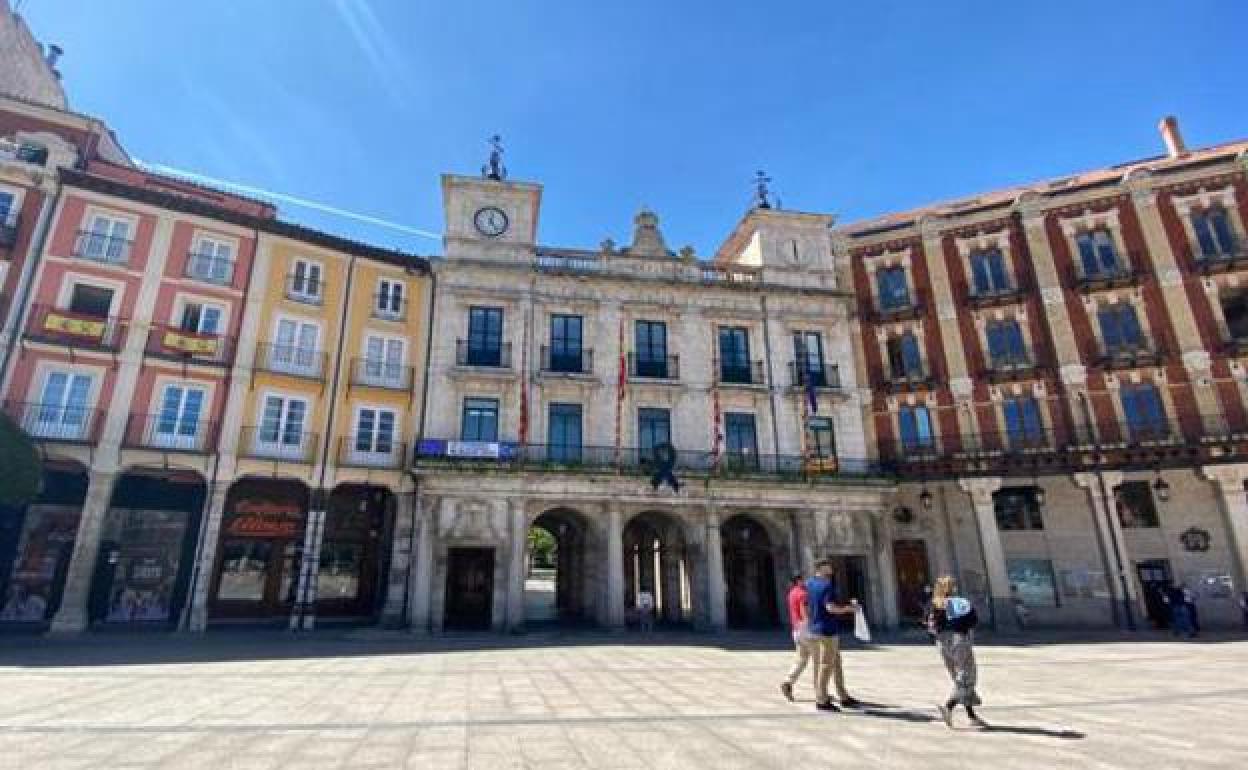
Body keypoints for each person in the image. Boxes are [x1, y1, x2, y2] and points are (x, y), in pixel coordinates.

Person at [927, 575, 985, 729]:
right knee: (966, 675)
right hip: (958, 639)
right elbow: (973, 620)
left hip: (941, 642)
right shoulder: (959, 602)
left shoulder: (935, 603)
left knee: (958, 678)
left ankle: (971, 716)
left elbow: (930, 625)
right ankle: (949, 707)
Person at [805, 560, 860, 712]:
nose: (831, 569)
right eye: (828, 566)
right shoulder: (827, 585)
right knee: (826, 665)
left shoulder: (809, 583)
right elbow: (831, 608)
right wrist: (849, 609)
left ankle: (843, 696)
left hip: (815, 627)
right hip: (828, 629)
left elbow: (806, 605)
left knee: (836, 663)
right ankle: (821, 700)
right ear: (821, 568)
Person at [780, 573, 813, 702]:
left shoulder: (791, 593)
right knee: (820, 659)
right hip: (806, 628)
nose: (806, 581)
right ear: (799, 581)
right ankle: (821, 692)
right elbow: (804, 610)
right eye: (804, 579)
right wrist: (810, 623)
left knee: (801, 659)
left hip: (796, 629)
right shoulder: (803, 594)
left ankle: (788, 681)